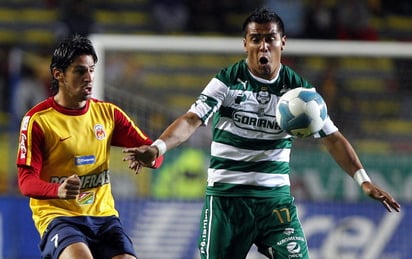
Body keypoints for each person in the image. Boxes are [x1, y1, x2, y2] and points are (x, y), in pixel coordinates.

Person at [123, 8, 400, 259]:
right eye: (256, 39)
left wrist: (363, 180)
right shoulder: (228, 80)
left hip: (274, 204)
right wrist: (158, 148)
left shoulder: (299, 92)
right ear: (245, 44)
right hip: (227, 201)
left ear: (283, 42)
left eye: (270, 38)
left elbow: (333, 138)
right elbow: (192, 119)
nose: (263, 46)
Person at [16, 34, 163, 259]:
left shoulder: (109, 114)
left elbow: (154, 153)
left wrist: (150, 157)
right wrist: (59, 190)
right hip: (59, 217)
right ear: (58, 74)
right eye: (79, 71)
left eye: (92, 70)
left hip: (104, 218)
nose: (89, 78)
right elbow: (26, 181)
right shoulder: (38, 120)